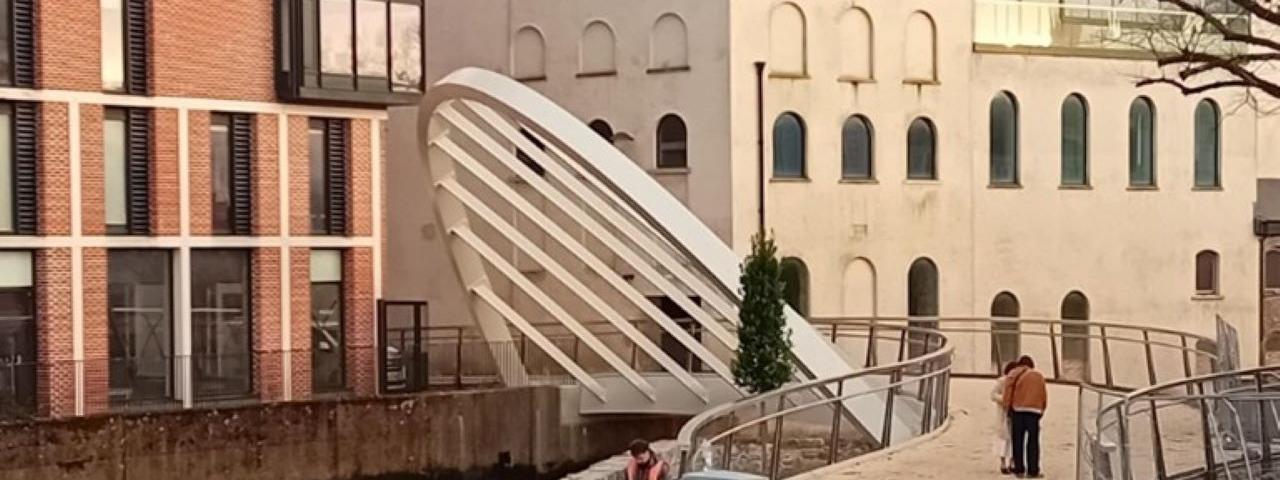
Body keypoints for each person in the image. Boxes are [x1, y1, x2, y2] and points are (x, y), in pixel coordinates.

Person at [1003, 355, 1048, 478]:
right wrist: (1042, 409)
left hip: (1018, 410)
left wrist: (1007, 408)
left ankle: (1019, 469)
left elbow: (1007, 391)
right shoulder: (1039, 376)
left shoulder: (1014, 373)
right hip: (1034, 411)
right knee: (1033, 441)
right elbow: (1044, 395)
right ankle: (1033, 470)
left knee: (1017, 441)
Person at [990, 361, 1019, 474]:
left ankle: (1012, 462)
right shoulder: (1002, 381)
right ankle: (1003, 462)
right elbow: (993, 394)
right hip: (1003, 413)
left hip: (1015, 411)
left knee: (1014, 438)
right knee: (1003, 438)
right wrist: (1004, 399)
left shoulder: (1018, 381)